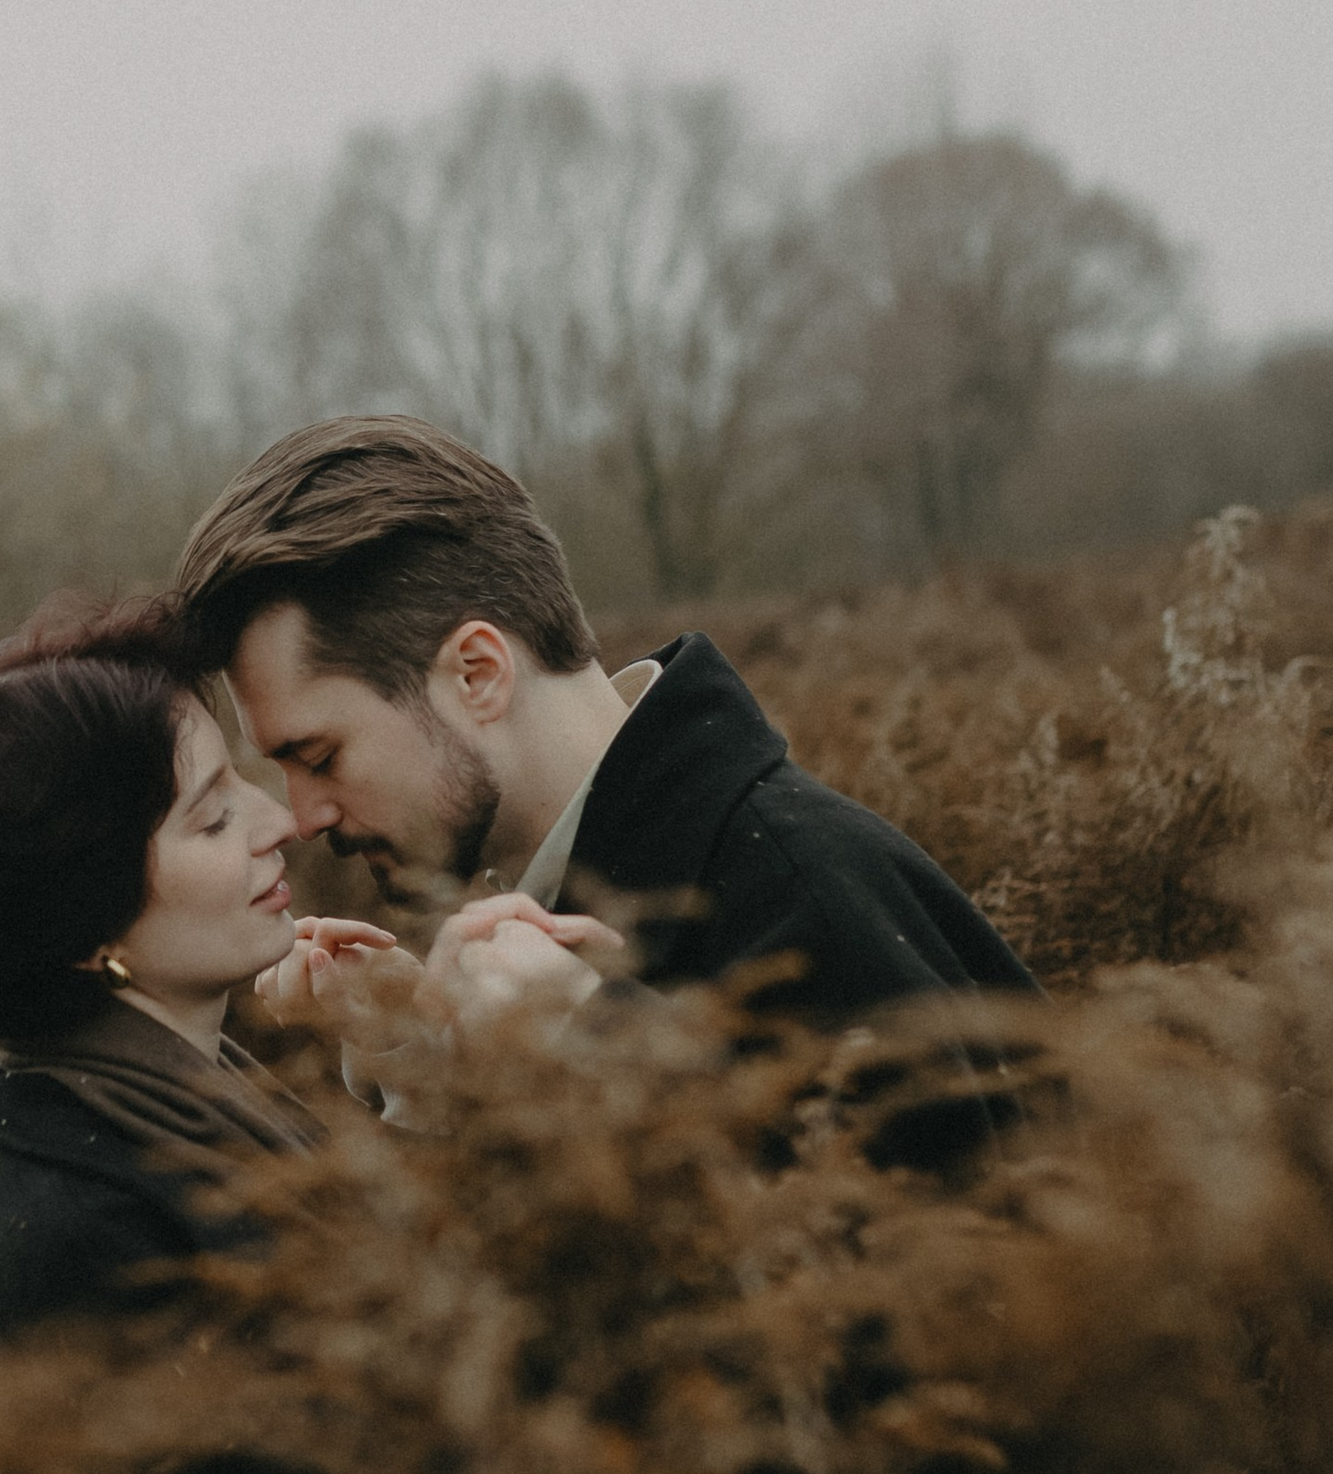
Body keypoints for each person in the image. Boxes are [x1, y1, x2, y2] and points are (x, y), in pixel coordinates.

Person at [174, 416, 1039, 1031]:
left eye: (318, 754)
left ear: (477, 672)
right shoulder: (538, 906)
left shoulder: (802, 903)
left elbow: (983, 1273)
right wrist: (428, 1054)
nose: (299, 815)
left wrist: (602, 1051)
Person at [0, 599, 385, 1343]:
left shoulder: (167, 1114)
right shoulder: (98, 1244)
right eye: (213, 817)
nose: (279, 822)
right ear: (79, 919)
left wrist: (413, 1066)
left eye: (239, 782)